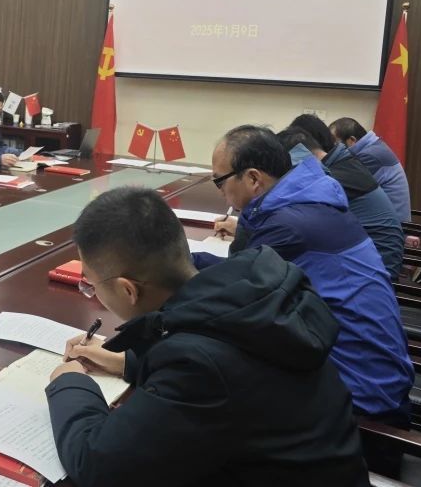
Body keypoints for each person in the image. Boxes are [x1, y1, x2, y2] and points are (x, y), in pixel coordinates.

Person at [47, 187, 368, 487]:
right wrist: (127, 361)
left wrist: (71, 381)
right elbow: (226, 364)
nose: (92, 293)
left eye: (91, 285)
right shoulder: (248, 293)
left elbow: (97, 466)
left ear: (127, 290)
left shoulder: (197, 368)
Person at [204, 125, 413, 424]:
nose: (220, 191)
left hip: (361, 405)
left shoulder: (289, 225)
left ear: (253, 179)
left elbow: (231, 294)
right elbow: (240, 271)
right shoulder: (308, 200)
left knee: (209, 385)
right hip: (371, 379)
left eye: (219, 181)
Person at [277, 126, 404, 277]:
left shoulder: (333, 178)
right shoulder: (344, 162)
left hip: (378, 265)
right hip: (377, 255)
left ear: (296, 156)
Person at [331, 116, 412, 222]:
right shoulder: (374, 147)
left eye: (335, 144)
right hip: (386, 220)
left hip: (390, 226)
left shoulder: (370, 156)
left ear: (352, 140)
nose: (332, 148)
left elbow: (339, 188)